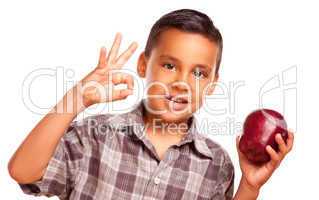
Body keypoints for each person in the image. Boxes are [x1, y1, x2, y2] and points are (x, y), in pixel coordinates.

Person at [8, 9, 294, 200]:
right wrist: (77, 99)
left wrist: (250, 186)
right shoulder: (95, 136)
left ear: (213, 83)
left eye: (198, 73)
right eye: (169, 65)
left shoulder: (216, 164)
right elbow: (23, 171)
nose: (182, 82)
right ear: (144, 65)